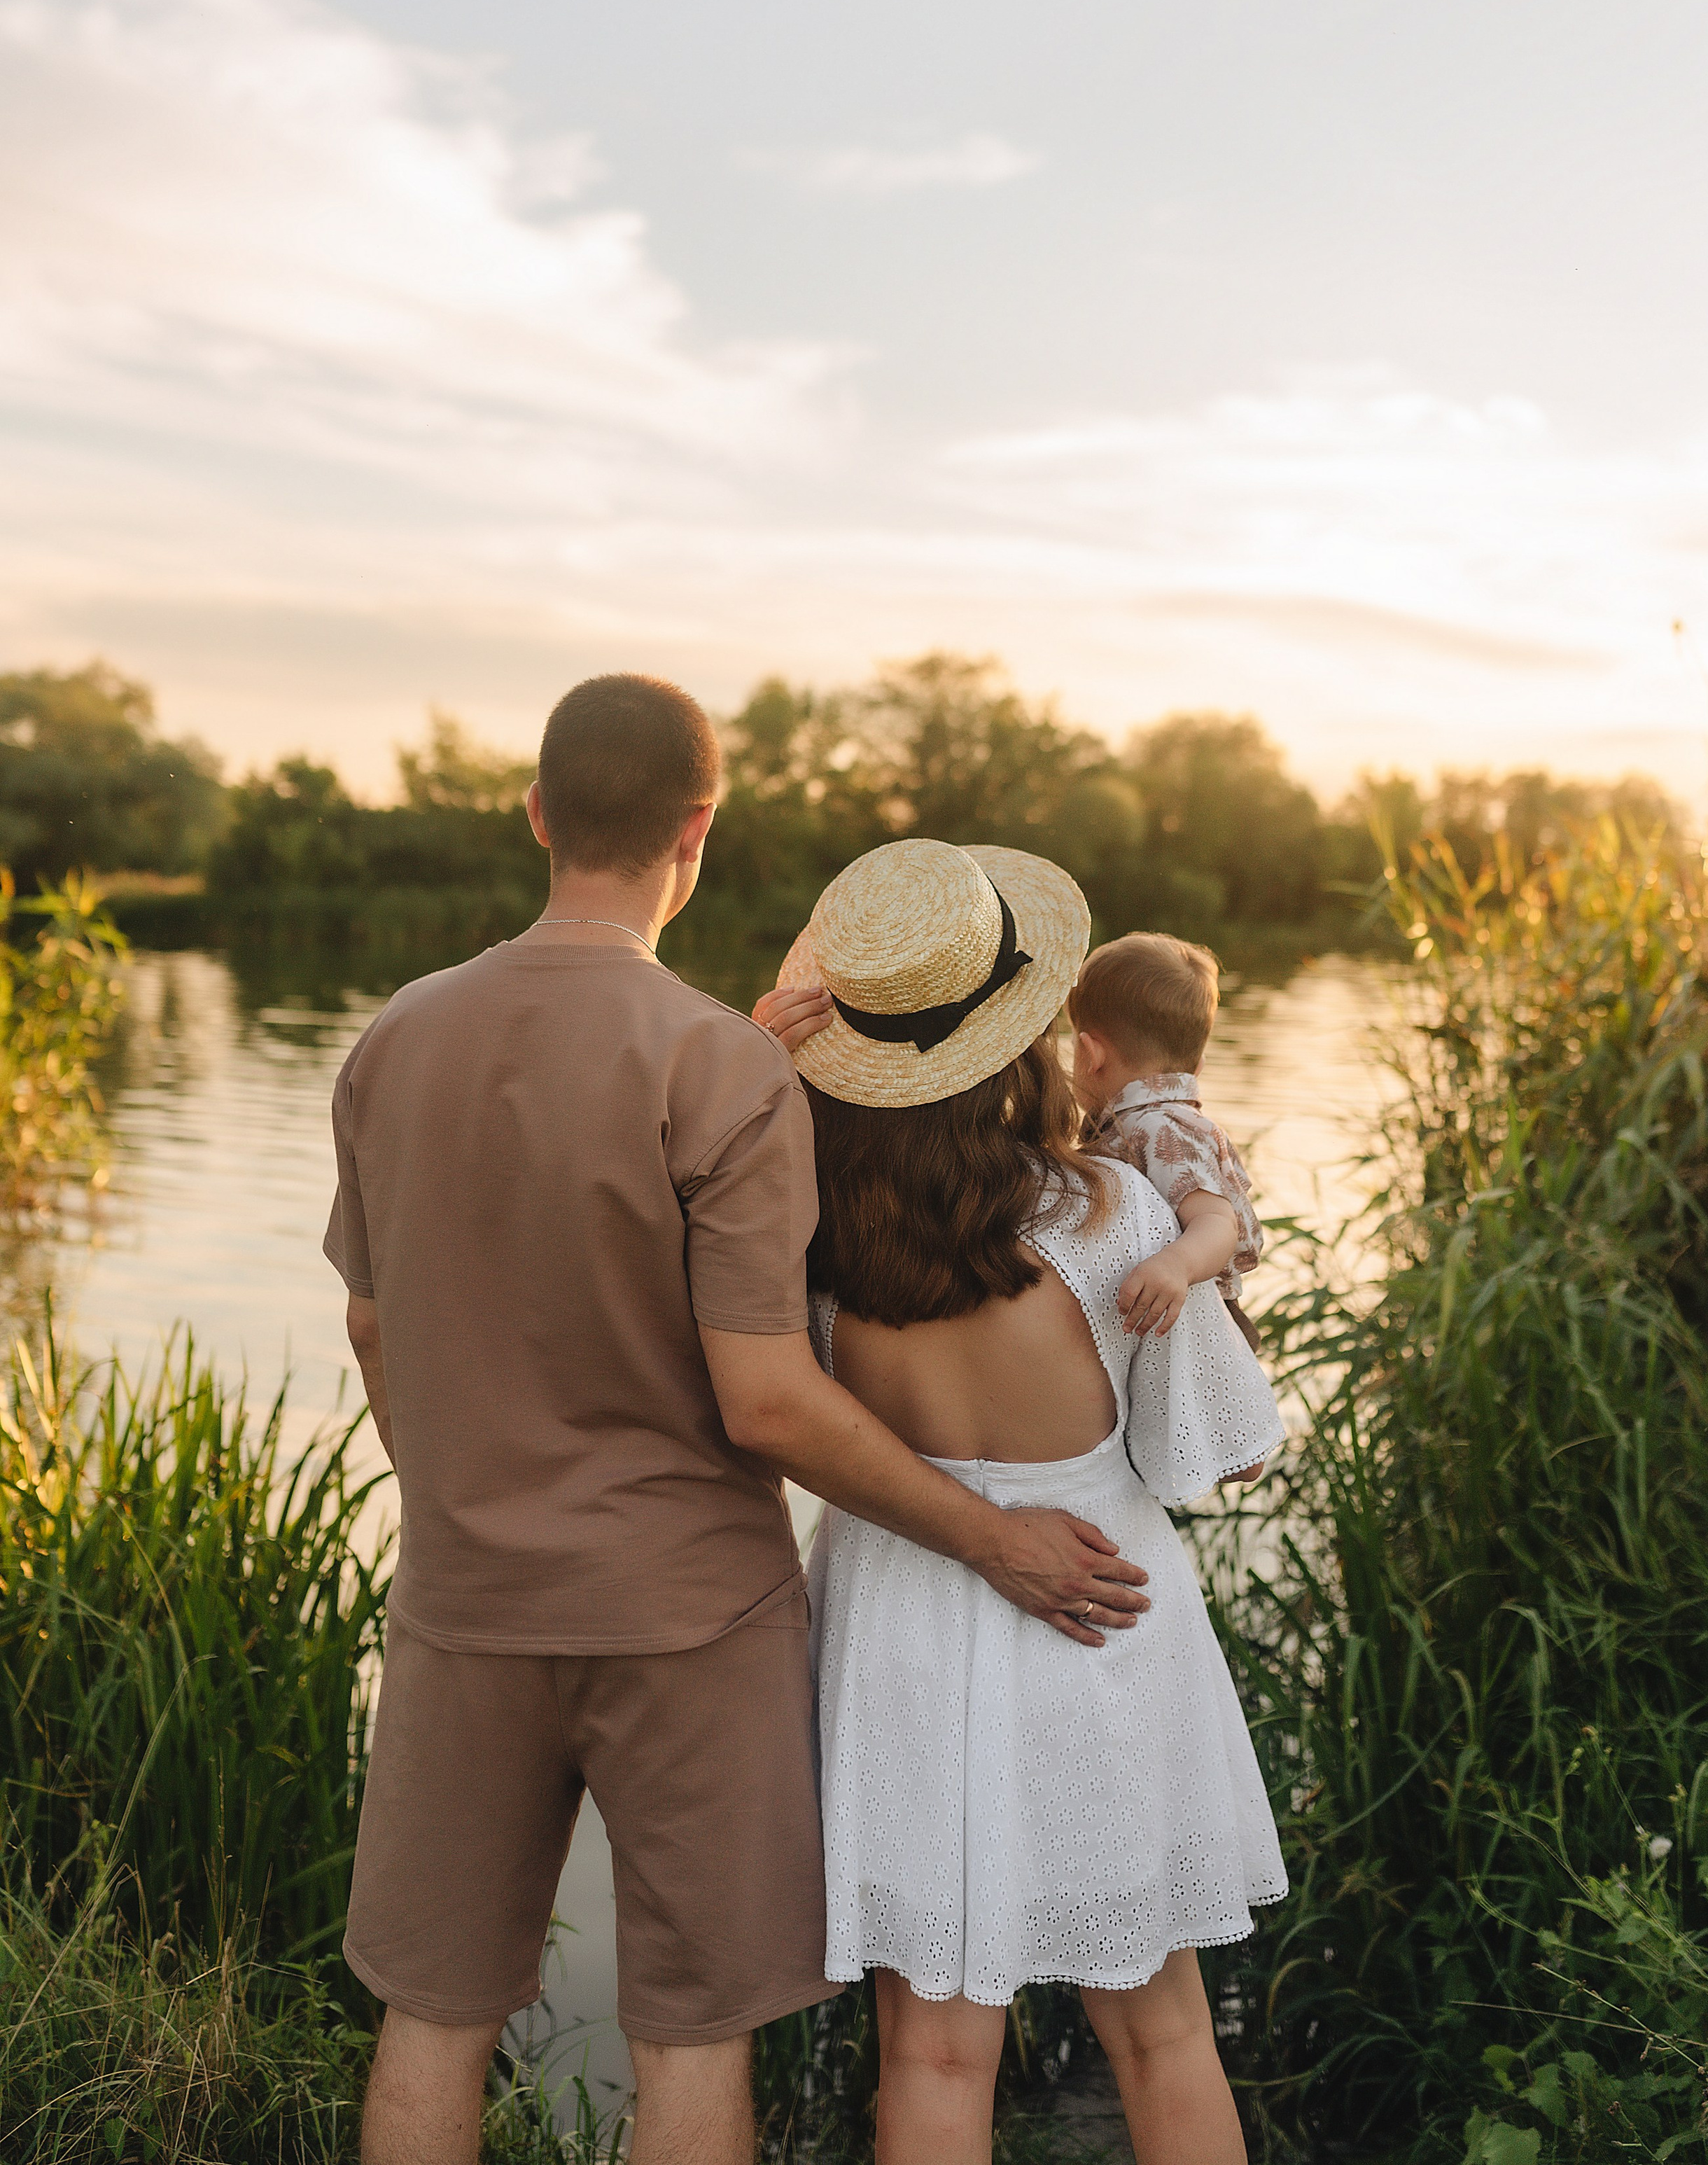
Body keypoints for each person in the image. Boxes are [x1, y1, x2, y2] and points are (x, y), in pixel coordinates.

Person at [326, 678, 1153, 2165]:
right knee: (690, 2035)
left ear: (535, 813)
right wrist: (993, 1538)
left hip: (465, 1598)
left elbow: (373, 1323)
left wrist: (470, 1502)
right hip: (687, 1615)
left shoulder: (394, 1037)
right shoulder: (717, 1062)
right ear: (696, 831)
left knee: (434, 2014)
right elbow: (766, 1395)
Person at [753, 841, 1288, 2165]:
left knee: (933, 2048)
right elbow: (1220, 1447)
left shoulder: (809, 1236)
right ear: (1019, 1040)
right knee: (1162, 2032)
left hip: (904, 1629)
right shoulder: (1113, 1209)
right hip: (1103, 1614)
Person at [1067, 933, 1266, 1352]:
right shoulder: (1142, 1121)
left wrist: (1176, 1265)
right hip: (1166, 1316)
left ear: (1090, 1056)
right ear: (1200, 1063)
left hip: (1197, 1323)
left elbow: (1216, 1222)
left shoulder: (1160, 1127)